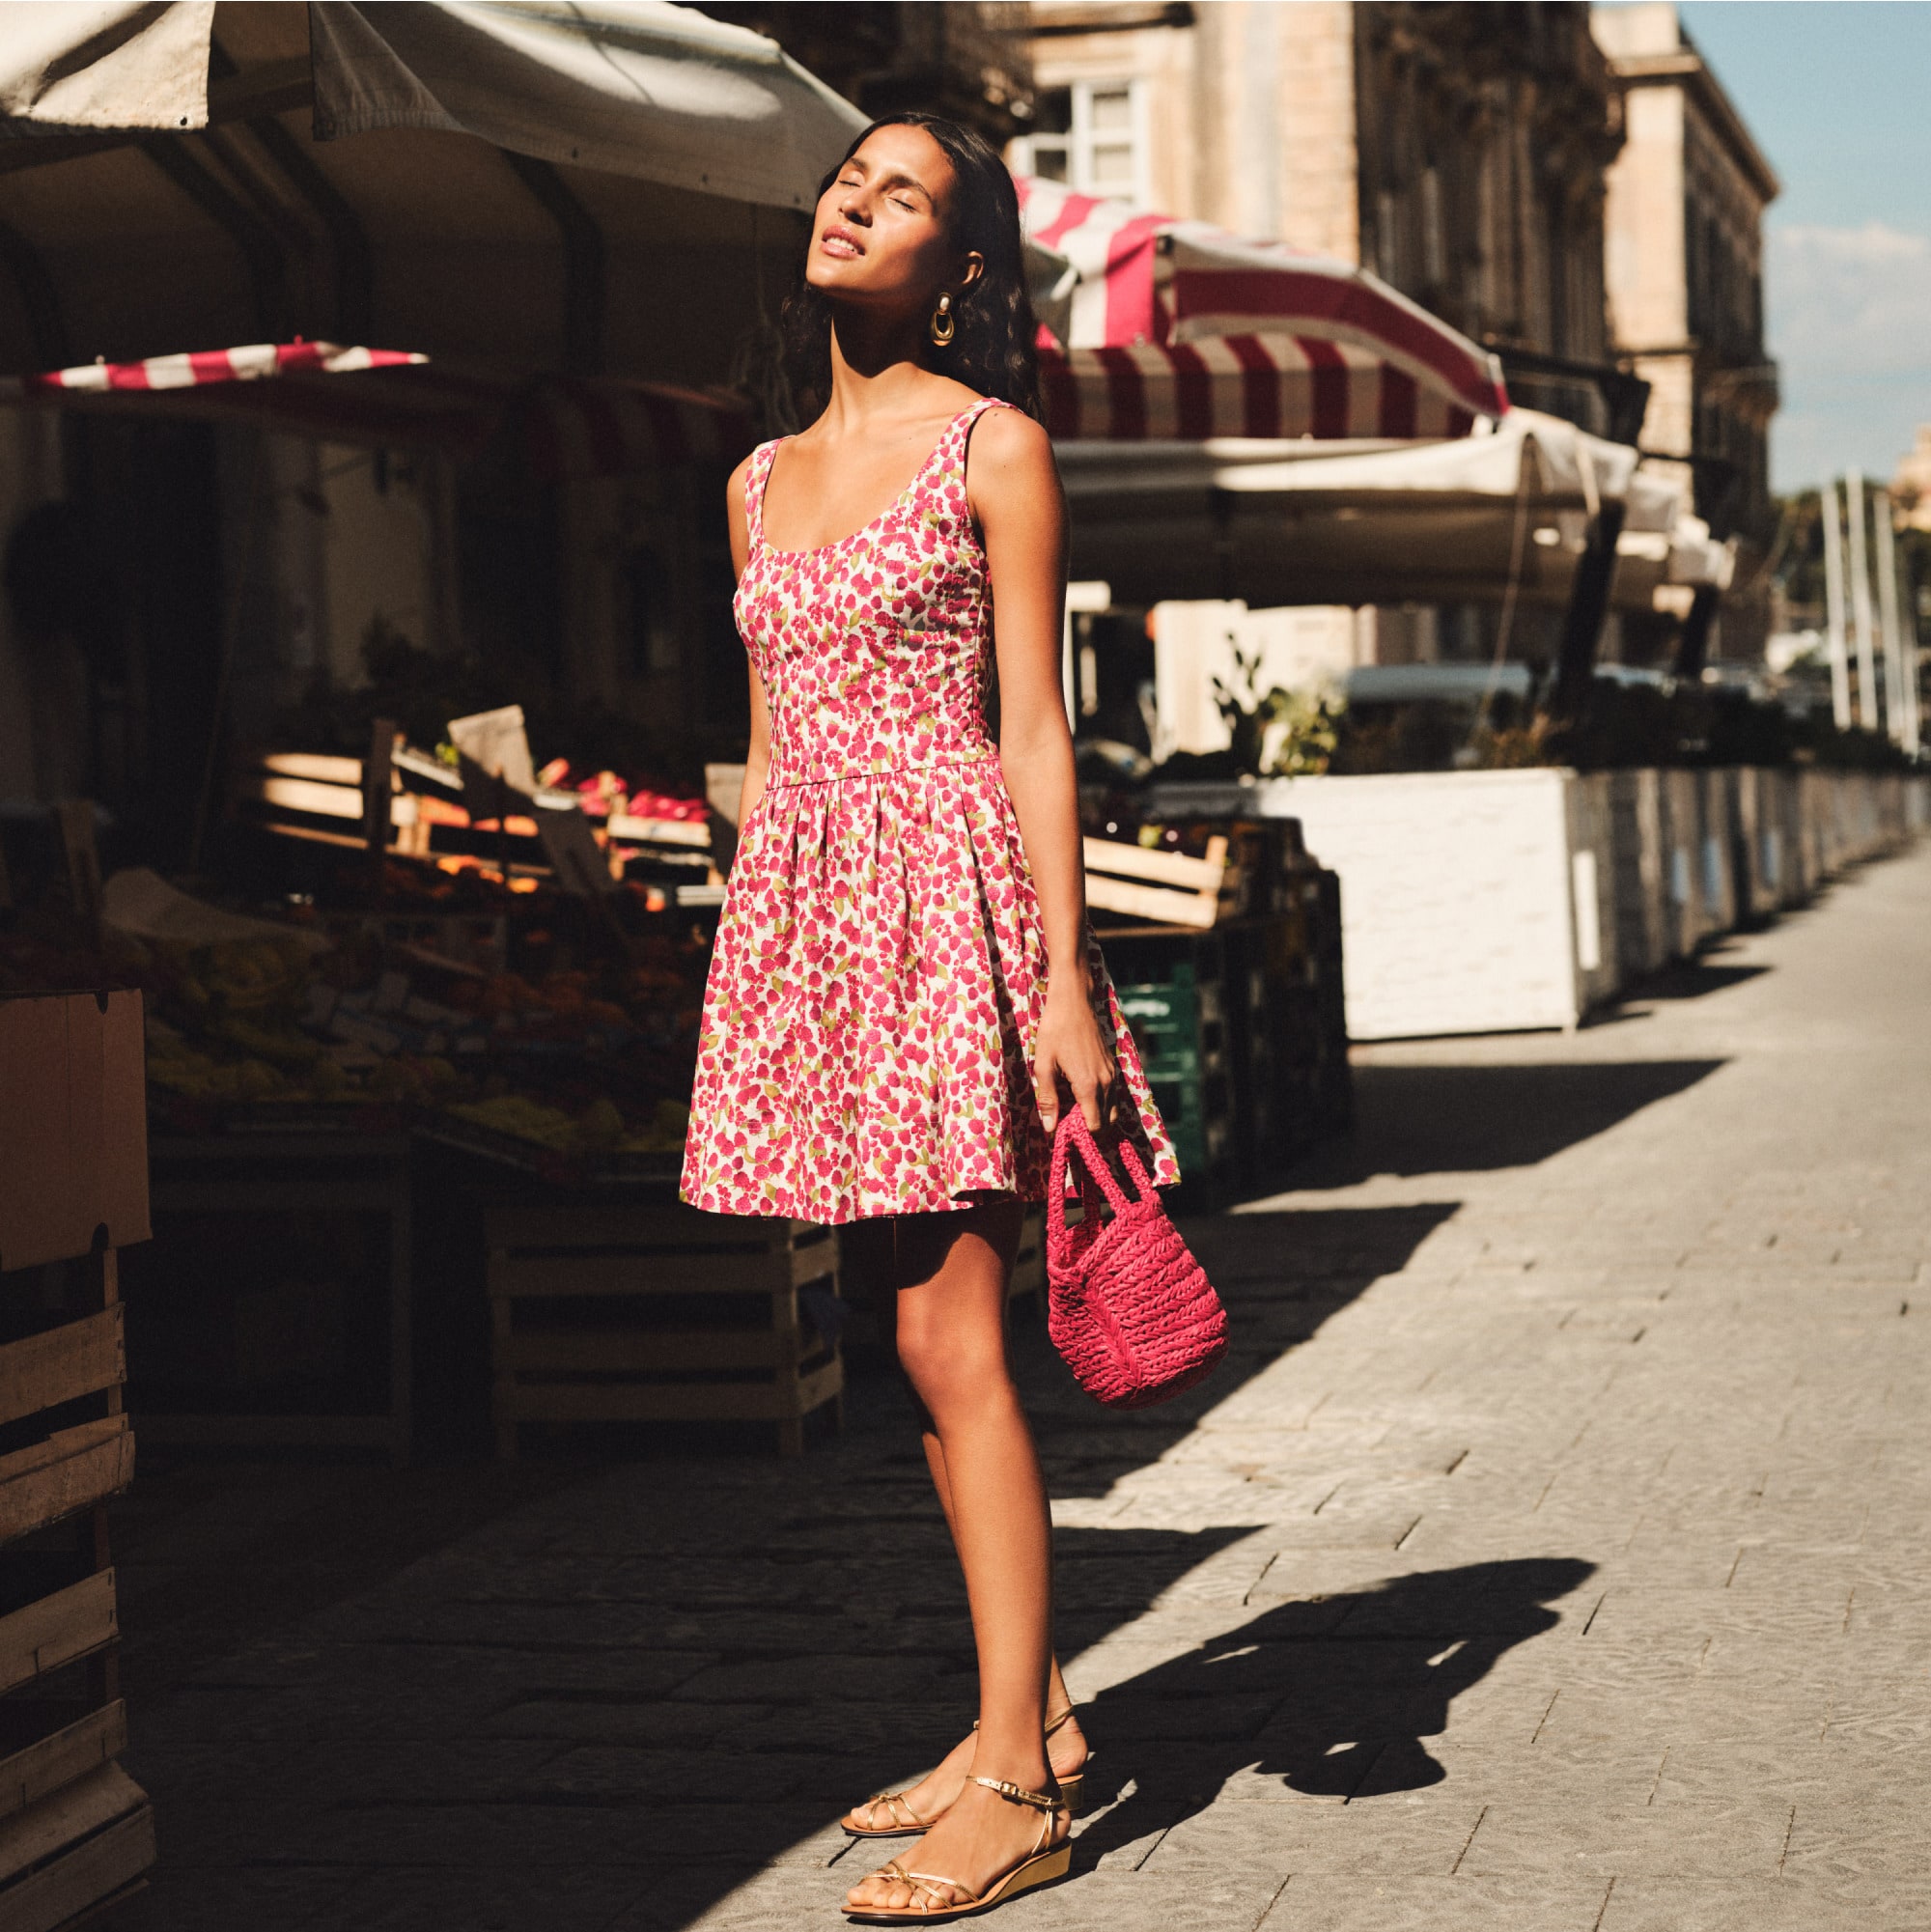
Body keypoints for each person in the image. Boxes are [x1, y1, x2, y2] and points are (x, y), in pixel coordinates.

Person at [681, 112, 1177, 1922]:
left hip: (951, 911)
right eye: (847, 179)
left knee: (957, 1339)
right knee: (908, 1334)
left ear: (959, 269)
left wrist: (1063, 973)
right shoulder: (751, 481)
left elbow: (1035, 727)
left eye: (899, 196)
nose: (852, 202)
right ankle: (1022, 1718)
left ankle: (1016, 1787)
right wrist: (755, 950)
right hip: (818, 931)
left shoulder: (995, 445)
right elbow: (765, 747)